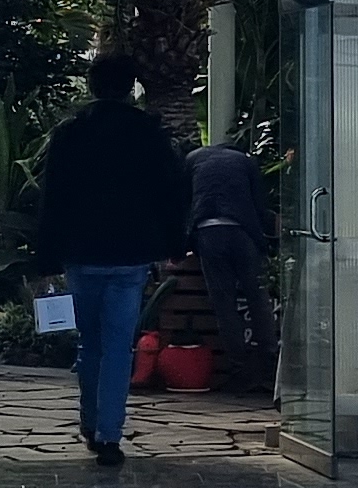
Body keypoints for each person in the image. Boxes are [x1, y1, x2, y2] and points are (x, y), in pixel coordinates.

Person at [31, 49, 188, 466]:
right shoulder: (148, 133)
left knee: (91, 342)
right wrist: (175, 244)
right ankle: (109, 434)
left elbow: (53, 199)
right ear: (131, 87)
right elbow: (171, 193)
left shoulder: (70, 133)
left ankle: (90, 419)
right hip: (131, 253)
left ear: (92, 85)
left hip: (81, 252)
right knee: (120, 345)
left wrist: (46, 258)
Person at [185, 130, 275, 383]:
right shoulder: (245, 161)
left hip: (208, 232)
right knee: (257, 297)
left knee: (224, 303)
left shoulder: (193, 159)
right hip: (241, 232)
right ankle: (269, 365)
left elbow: (185, 203)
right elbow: (259, 206)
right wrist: (266, 244)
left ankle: (238, 369)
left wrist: (183, 244)